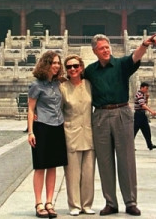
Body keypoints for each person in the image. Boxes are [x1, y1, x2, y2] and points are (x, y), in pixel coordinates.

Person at [84, 33, 156, 216]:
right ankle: (111, 202)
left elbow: (135, 57)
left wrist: (144, 45)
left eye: (107, 47)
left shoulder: (120, 65)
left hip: (122, 113)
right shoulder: (90, 71)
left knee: (126, 159)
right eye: (102, 48)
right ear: (95, 51)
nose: (106, 50)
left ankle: (130, 201)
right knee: (105, 161)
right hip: (100, 115)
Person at [28, 50, 68, 218]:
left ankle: (49, 201)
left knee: (52, 166)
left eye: (58, 63)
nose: (57, 66)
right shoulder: (37, 85)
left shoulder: (59, 84)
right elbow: (30, 108)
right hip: (41, 126)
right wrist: (30, 131)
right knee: (40, 166)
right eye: (53, 63)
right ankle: (38, 203)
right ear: (46, 64)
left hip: (57, 126)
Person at [60, 55, 96, 216]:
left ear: (81, 67)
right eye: (69, 67)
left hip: (89, 132)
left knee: (88, 172)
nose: (72, 69)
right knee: (72, 173)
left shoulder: (89, 85)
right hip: (71, 132)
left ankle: (87, 204)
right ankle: (74, 205)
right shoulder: (62, 88)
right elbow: (58, 112)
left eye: (75, 66)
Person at [133, 82, 156, 150]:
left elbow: (144, 103)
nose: (147, 90)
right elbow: (143, 105)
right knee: (134, 131)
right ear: (142, 87)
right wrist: (151, 111)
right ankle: (130, 145)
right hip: (138, 115)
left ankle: (150, 145)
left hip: (142, 115)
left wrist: (147, 98)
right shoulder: (139, 94)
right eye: (146, 88)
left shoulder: (142, 95)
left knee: (147, 130)